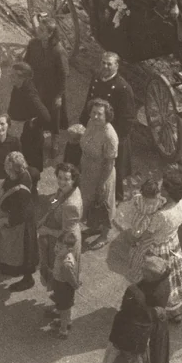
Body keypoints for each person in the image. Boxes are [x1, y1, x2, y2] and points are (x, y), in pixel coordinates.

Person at [115, 172, 182, 322]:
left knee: (149, 279)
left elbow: (147, 235)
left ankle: (147, 311)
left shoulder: (161, 215)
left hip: (155, 248)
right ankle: (174, 311)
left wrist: (135, 240)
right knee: (172, 279)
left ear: (168, 191)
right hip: (172, 243)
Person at [80, 51, 135, 201]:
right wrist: (83, 122)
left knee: (112, 170)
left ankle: (114, 198)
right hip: (95, 126)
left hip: (113, 132)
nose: (105, 66)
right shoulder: (97, 78)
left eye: (109, 64)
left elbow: (128, 118)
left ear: (116, 66)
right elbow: (89, 101)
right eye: (103, 62)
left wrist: (117, 138)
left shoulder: (123, 88)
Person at [0, 151, 41, 291]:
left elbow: (22, 214)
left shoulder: (20, 191)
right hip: (22, 217)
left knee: (23, 253)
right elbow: (37, 174)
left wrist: (6, 221)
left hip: (20, 225)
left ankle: (27, 279)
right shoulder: (29, 172)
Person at [24, 17, 68, 154]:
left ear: (50, 34)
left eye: (42, 30)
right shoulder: (33, 44)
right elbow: (27, 63)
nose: (38, 31)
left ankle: (55, 140)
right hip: (37, 86)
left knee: (54, 116)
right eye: (39, 28)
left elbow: (64, 75)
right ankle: (37, 138)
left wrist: (59, 95)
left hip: (52, 90)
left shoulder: (58, 51)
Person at [80, 99, 119, 250]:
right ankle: (94, 226)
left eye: (99, 114)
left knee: (104, 204)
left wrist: (102, 183)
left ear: (106, 116)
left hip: (102, 173)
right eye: (94, 112)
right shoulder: (91, 123)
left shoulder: (110, 136)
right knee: (89, 201)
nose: (95, 116)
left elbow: (109, 163)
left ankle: (104, 236)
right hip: (87, 169)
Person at [37, 162, 82, 291]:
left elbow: (67, 234)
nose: (61, 182)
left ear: (73, 180)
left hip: (63, 242)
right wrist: (46, 215)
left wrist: (47, 230)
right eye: (59, 177)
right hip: (54, 234)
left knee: (60, 274)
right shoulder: (65, 189)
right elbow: (57, 200)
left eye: (66, 179)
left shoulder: (71, 205)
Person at [135, 255, 174, 363]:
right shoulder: (164, 281)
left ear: (153, 275)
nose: (142, 272)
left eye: (145, 271)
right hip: (160, 324)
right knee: (158, 357)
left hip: (149, 325)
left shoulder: (151, 291)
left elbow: (143, 310)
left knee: (146, 356)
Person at [6, 61, 51, 172]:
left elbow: (46, 117)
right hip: (21, 128)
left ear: (22, 78)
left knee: (30, 161)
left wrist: (33, 123)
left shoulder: (30, 94)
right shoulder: (19, 85)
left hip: (30, 135)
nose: (10, 77)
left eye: (13, 75)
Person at [47, 230, 81, 338]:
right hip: (60, 284)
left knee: (64, 309)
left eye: (60, 248)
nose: (56, 249)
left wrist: (76, 285)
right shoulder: (61, 255)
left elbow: (70, 278)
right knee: (65, 307)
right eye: (56, 246)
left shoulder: (66, 263)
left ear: (69, 249)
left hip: (64, 288)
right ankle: (67, 322)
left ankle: (63, 330)